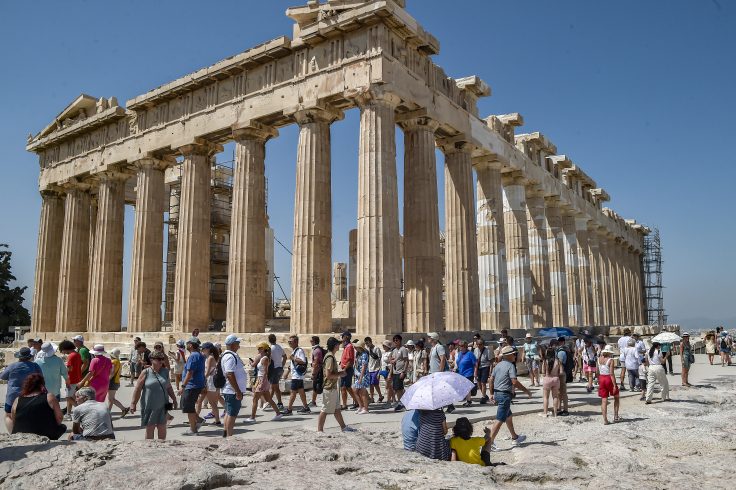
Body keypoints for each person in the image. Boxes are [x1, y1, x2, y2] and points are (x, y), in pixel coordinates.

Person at [488, 346, 531, 450]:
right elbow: (514, 382)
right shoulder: (510, 366)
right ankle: (489, 442)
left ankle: (514, 437)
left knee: (508, 416)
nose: (515, 356)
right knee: (499, 419)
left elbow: (490, 380)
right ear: (509, 355)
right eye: (514, 354)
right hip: (504, 395)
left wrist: (491, 393)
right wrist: (527, 391)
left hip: (498, 393)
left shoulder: (497, 365)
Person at [130, 350, 178, 439]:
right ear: (152, 360)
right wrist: (133, 403)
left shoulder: (165, 372)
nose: (161, 361)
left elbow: (169, 387)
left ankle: (162, 446)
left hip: (163, 404)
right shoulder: (146, 372)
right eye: (159, 359)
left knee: (162, 426)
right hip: (149, 405)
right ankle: (149, 448)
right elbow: (138, 389)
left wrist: (174, 400)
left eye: (162, 359)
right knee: (150, 427)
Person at [10, 373, 66, 439]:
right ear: (41, 385)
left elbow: (14, 420)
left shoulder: (17, 400)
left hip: (21, 435)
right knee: (63, 427)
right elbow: (59, 418)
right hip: (45, 435)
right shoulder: (49, 397)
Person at [316, 337, 355, 433]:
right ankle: (319, 430)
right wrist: (340, 374)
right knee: (325, 409)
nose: (339, 345)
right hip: (329, 387)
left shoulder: (330, 356)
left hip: (332, 387)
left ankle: (343, 427)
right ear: (334, 345)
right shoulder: (330, 357)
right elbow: (328, 375)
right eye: (338, 344)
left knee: (337, 409)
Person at [2, 347, 43, 432]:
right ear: (29, 357)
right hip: (29, 394)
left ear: (19, 356)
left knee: (8, 415)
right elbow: (41, 377)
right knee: (28, 415)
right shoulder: (35, 366)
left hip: (12, 395)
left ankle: (13, 433)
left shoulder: (12, 366)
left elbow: (2, 376)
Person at [245, 342, 283, 423]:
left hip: (262, 380)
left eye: (260, 348)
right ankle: (278, 413)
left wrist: (260, 383)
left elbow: (266, 372)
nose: (258, 349)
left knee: (255, 399)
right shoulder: (263, 357)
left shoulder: (265, 358)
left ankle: (252, 417)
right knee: (268, 399)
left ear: (264, 349)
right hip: (262, 379)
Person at [220, 336, 248, 437]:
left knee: (228, 412)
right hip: (232, 391)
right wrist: (237, 391)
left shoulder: (230, 355)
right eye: (237, 343)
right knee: (232, 414)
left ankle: (226, 433)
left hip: (230, 390)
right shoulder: (230, 357)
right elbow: (230, 374)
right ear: (232, 344)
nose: (239, 346)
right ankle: (229, 436)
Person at [179, 337, 206, 435]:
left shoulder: (193, 356)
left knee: (188, 407)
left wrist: (183, 386)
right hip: (196, 384)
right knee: (188, 406)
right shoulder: (199, 355)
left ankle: (193, 429)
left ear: (190, 344)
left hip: (192, 385)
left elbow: (190, 372)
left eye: (187, 343)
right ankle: (198, 420)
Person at [282, 335, 311, 415]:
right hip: (297, 375)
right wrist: (287, 373)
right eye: (289, 342)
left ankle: (289, 409)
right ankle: (306, 407)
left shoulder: (299, 351)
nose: (289, 343)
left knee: (293, 392)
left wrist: (293, 358)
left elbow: (303, 361)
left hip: (297, 376)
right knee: (301, 391)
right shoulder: (294, 351)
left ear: (296, 342)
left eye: (290, 342)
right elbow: (292, 365)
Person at [196, 342, 222, 425]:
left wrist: (201, 380)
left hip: (209, 381)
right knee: (200, 400)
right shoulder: (208, 357)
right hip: (208, 380)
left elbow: (207, 372)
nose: (202, 350)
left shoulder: (210, 358)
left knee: (212, 402)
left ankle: (217, 420)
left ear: (207, 349)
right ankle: (195, 417)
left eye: (203, 349)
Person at [597, 345, 620, 425]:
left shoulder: (599, 359)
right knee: (616, 396)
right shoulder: (611, 360)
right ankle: (616, 416)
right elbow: (611, 373)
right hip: (608, 378)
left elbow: (597, 371)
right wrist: (614, 385)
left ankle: (605, 420)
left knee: (604, 400)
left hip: (601, 378)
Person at [59, 340, 82, 419]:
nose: (63, 352)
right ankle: (68, 414)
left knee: (68, 397)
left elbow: (69, 369)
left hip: (71, 379)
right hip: (77, 378)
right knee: (71, 397)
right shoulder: (77, 354)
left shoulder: (71, 356)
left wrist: (61, 371)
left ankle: (80, 410)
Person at [339, 331, 358, 410]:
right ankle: (344, 404)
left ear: (346, 337)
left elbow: (350, 360)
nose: (342, 339)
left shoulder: (349, 347)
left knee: (347, 387)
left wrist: (345, 369)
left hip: (347, 369)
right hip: (344, 368)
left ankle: (357, 401)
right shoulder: (346, 347)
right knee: (343, 387)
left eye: (342, 337)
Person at [390, 334, 409, 411]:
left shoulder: (403, 349)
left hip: (400, 371)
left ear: (400, 341)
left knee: (399, 389)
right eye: (394, 340)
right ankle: (403, 402)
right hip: (395, 371)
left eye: (397, 340)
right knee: (397, 388)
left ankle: (401, 404)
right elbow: (392, 360)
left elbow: (406, 361)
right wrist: (391, 361)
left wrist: (403, 371)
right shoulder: (394, 350)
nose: (395, 341)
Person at [107, 349, 129, 416]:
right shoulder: (118, 361)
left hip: (112, 381)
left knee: (111, 399)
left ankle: (123, 409)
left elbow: (112, 372)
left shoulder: (113, 362)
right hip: (116, 381)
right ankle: (108, 413)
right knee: (111, 399)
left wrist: (107, 379)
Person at [268, 334, 287, 411]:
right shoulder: (279, 347)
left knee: (275, 387)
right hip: (279, 368)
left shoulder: (270, 349)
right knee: (273, 387)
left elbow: (269, 359)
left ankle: (279, 403)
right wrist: (282, 365)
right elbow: (285, 357)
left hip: (274, 369)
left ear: (269, 340)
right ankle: (269, 401)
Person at [455, 340, 477, 407]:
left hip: (468, 373)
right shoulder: (460, 353)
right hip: (461, 372)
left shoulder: (470, 354)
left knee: (467, 387)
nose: (460, 347)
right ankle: (466, 399)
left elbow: (475, 364)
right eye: (459, 346)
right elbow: (458, 362)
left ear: (465, 347)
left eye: (462, 346)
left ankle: (469, 401)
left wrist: (475, 373)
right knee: (463, 387)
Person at [540, 347, 560, 417]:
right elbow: (560, 371)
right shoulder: (557, 361)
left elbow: (543, 372)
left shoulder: (545, 361)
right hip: (555, 379)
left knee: (546, 397)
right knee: (555, 397)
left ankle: (545, 413)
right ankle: (555, 413)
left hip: (547, 379)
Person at [352, 340, 370, 414]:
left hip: (363, 375)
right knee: (355, 390)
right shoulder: (358, 354)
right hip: (358, 374)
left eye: (356, 346)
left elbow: (364, 366)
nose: (355, 347)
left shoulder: (364, 355)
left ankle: (365, 408)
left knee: (362, 392)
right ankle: (361, 406)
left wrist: (361, 377)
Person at [473, 337, 492, 404]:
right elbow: (475, 361)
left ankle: (483, 396)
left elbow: (490, 362)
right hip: (478, 367)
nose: (479, 345)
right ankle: (484, 394)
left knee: (483, 382)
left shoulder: (487, 351)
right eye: (477, 344)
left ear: (483, 344)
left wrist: (490, 371)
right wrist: (475, 371)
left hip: (485, 367)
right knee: (478, 382)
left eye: (480, 344)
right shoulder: (475, 350)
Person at [555, 338, 571, 416]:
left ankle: (565, 409)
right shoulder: (564, 350)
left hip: (561, 373)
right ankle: (560, 408)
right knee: (559, 392)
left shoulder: (561, 352)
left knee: (563, 392)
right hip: (562, 373)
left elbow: (560, 363)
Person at [364, 337, 383, 403]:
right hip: (370, 369)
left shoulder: (376, 349)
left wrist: (379, 371)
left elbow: (380, 359)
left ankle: (380, 396)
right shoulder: (367, 350)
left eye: (368, 343)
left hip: (376, 369)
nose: (367, 344)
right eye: (366, 343)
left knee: (375, 384)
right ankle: (372, 398)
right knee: (371, 385)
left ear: (371, 341)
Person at [310, 336, 325, 407]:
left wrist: (314, 373)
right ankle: (313, 401)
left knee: (317, 386)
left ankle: (314, 401)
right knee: (316, 386)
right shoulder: (317, 349)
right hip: (319, 370)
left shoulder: (316, 350)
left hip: (318, 371)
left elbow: (316, 363)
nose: (310, 342)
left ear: (314, 341)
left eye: (311, 341)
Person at [380, 340, 394, 405]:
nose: (383, 346)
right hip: (384, 371)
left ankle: (388, 401)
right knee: (389, 386)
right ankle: (393, 399)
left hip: (388, 371)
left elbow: (391, 364)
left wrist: (390, 373)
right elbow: (382, 363)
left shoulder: (390, 353)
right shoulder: (384, 353)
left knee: (388, 387)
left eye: (384, 345)